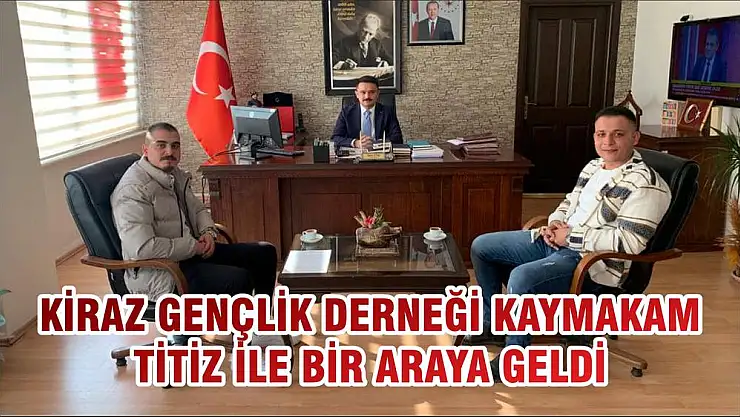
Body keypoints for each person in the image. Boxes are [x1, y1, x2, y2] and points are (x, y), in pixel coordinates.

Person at [466, 106, 672, 381]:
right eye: (601, 134)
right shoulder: (594, 166)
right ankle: (492, 323)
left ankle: (514, 357)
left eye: (618, 134)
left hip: (592, 261)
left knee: (522, 276)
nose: (608, 142)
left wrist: (571, 236)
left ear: (634, 138)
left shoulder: (645, 184)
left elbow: (629, 242)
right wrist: (554, 223)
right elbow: (569, 203)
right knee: (482, 247)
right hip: (561, 241)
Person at [111, 122, 279, 308]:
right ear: (145, 149)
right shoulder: (133, 190)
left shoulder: (174, 175)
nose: (169, 152)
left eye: (175, 146)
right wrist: (194, 247)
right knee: (238, 279)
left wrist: (208, 232)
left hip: (187, 254)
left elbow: (198, 209)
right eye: (161, 145)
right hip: (161, 273)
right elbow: (142, 249)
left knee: (264, 253)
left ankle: (260, 316)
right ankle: (238, 324)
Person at [331, 75, 403, 149]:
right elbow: (335, 138)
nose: (367, 96)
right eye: (363, 92)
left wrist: (377, 144)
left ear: (378, 94)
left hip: (380, 152)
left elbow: (397, 138)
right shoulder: (346, 113)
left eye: (372, 92)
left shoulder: (387, 112)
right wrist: (356, 143)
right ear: (357, 94)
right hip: (355, 153)